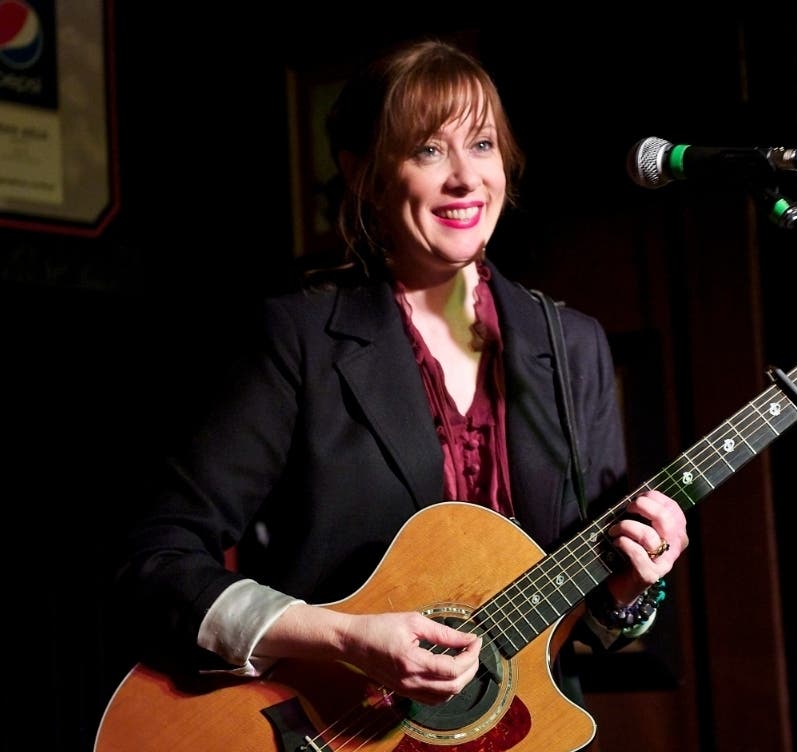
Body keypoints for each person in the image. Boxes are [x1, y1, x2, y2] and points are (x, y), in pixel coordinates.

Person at [110, 36, 688, 745]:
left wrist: (631, 590)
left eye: (480, 145)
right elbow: (156, 560)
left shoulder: (572, 348)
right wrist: (345, 636)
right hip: (334, 726)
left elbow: (584, 624)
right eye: (425, 151)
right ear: (366, 177)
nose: (463, 179)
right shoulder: (300, 339)